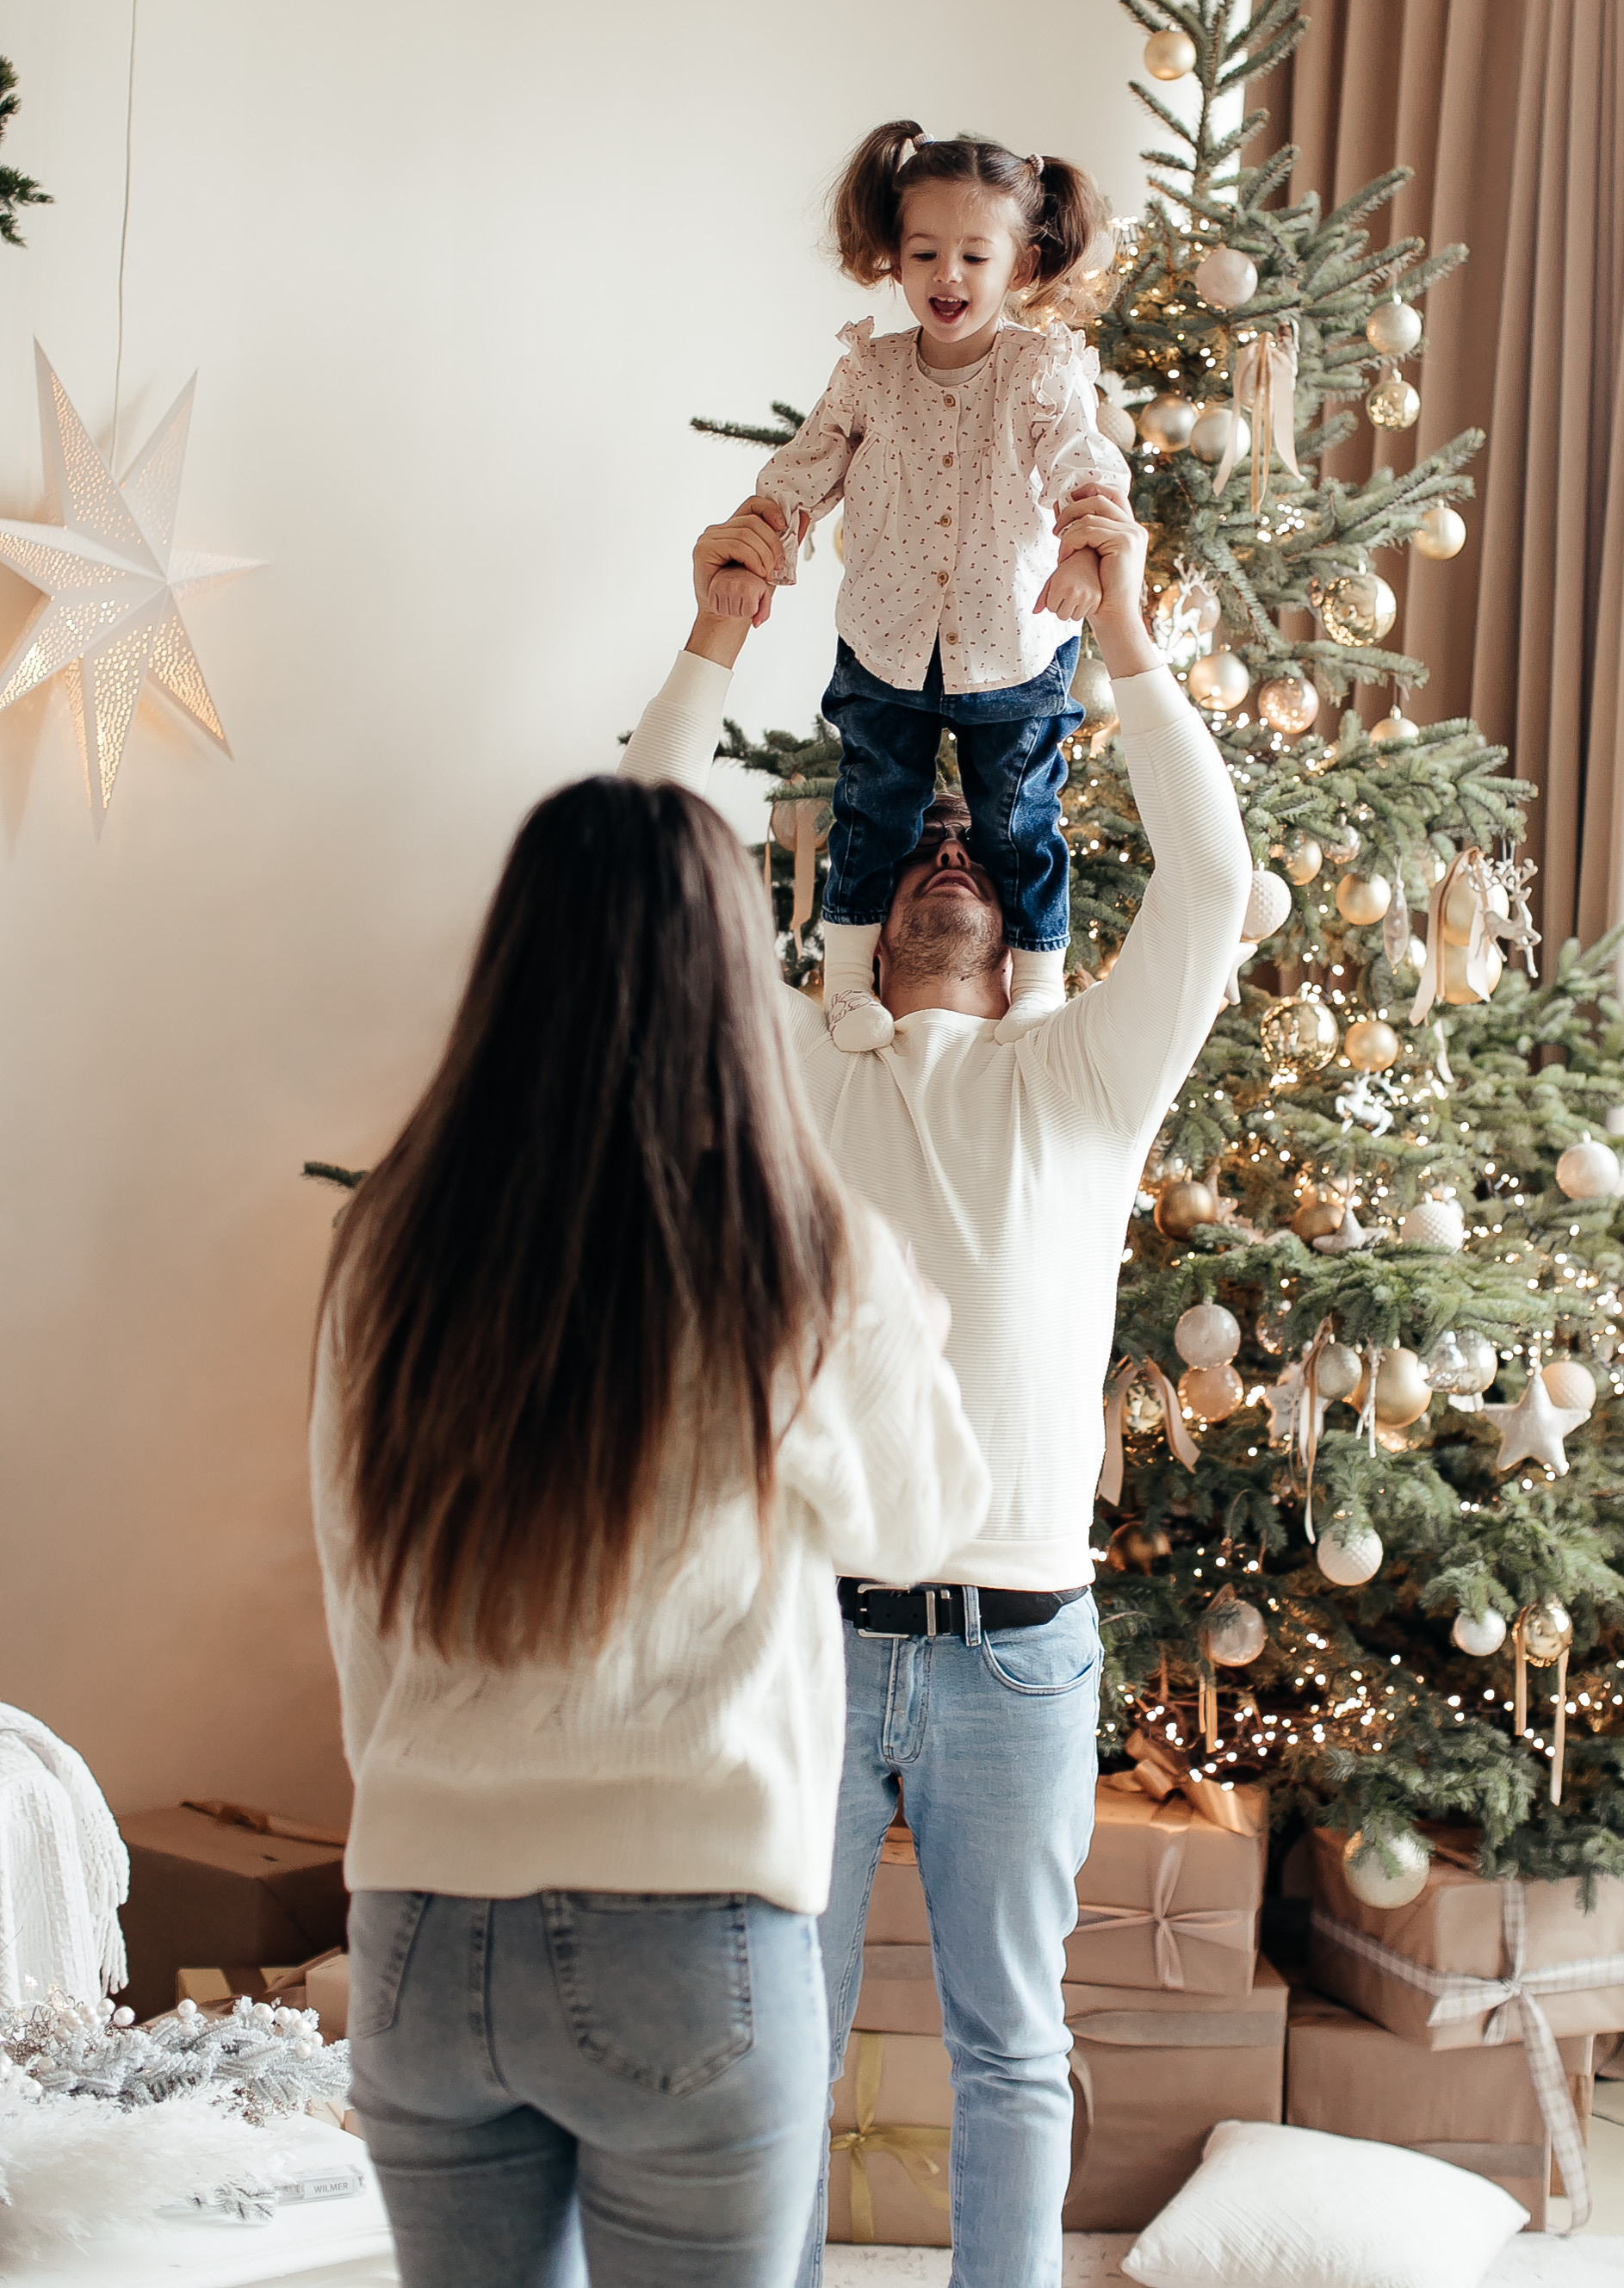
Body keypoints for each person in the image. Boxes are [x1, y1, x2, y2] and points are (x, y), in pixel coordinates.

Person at [619, 475, 1251, 2288]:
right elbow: (641, 854)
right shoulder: (799, 1082)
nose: (949, 857)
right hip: (806, 1643)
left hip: (1017, 1650)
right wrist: (720, 626)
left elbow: (1211, 885)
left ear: (1022, 922)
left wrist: (1121, 635)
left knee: (1010, 2040)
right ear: (861, 926)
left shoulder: (1082, 1086)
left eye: (981, 853)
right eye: (915, 857)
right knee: (774, 2048)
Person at [309, 773, 989, 2288]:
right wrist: (903, 1323)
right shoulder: (795, 1243)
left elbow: (355, 1578)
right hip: (687, 1932)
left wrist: (421, 1808)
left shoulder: (391, 1245)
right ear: (726, 976)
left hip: (419, 1920)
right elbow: (929, 1514)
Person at [705, 121, 1130, 1051]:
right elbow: (804, 469)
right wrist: (763, 541)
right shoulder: (870, 371)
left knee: (1018, 817)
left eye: (975, 254)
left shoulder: (1039, 371)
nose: (948, 275)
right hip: (887, 638)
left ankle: (1039, 990)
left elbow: (1080, 465)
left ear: (1020, 266)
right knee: (871, 805)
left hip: (1013, 643)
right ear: (891, 260)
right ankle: (849, 980)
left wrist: (1080, 554)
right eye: (925, 252)